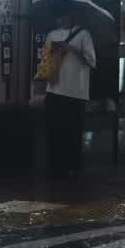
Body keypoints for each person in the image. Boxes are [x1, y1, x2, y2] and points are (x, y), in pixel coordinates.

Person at [44, 9, 96, 179]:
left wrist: (71, 49)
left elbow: (91, 61)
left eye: (64, 15)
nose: (61, 19)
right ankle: (55, 166)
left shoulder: (83, 34)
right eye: (58, 16)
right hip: (55, 89)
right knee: (55, 130)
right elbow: (45, 61)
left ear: (70, 16)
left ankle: (72, 166)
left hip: (76, 91)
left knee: (72, 131)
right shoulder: (51, 35)